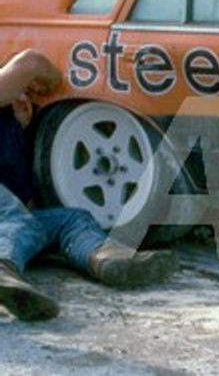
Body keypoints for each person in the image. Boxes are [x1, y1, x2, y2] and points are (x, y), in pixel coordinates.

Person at [0, 49, 176, 321]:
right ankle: (3, 268)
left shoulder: (20, 141)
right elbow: (31, 62)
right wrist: (46, 83)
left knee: (72, 219)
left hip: (10, 217)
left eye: (32, 100)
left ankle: (107, 260)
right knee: (19, 219)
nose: (28, 101)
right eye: (24, 93)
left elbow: (27, 208)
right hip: (9, 215)